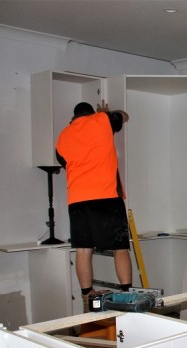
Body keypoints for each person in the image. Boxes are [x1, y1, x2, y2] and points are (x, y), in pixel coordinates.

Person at [55, 101, 132, 310]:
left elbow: (64, 162)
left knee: (83, 250)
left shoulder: (63, 136)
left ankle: (86, 296)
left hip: (77, 200)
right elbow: (124, 116)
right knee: (120, 248)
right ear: (91, 113)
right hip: (107, 196)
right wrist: (106, 113)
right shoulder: (102, 119)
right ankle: (127, 293)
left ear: (73, 118)